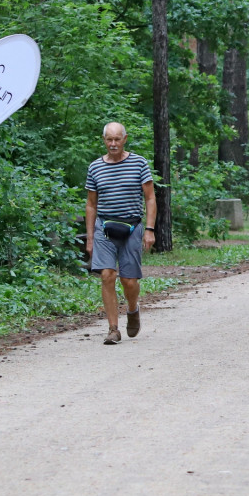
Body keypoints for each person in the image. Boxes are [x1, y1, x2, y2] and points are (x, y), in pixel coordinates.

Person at [85, 122, 157, 344]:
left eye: (117, 139)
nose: (113, 143)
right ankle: (113, 329)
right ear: (104, 140)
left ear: (125, 139)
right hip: (104, 228)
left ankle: (133, 309)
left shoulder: (139, 163)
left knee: (129, 280)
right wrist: (89, 237)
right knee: (107, 275)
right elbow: (90, 204)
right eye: (109, 139)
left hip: (132, 227)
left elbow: (150, 198)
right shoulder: (95, 167)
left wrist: (149, 230)